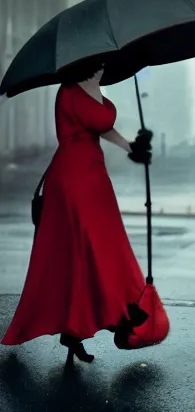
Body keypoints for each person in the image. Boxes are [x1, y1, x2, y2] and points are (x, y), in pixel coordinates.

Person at [1, 66, 152, 363]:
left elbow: (103, 128)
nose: (102, 68)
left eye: (104, 63)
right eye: (96, 63)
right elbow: (96, 121)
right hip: (71, 178)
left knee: (107, 245)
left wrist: (131, 147)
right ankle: (118, 315)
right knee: (87, 247)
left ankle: (78, 329)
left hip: (95, 176)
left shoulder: (94, 89)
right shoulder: (69, 92)